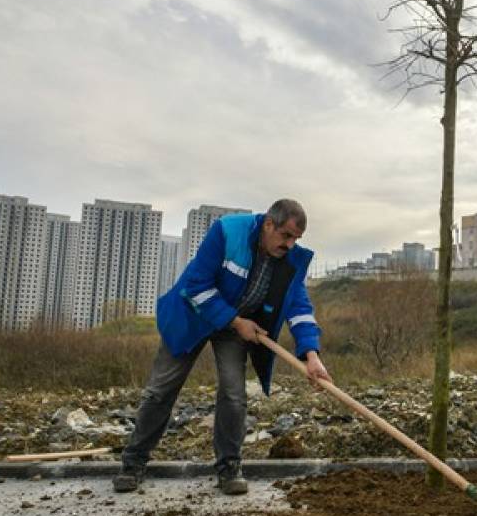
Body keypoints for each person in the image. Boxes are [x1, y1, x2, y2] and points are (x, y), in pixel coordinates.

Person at [113, 199, 331, 495]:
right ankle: (133, 462)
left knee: (233, 393)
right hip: (194, 314)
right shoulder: (228, 232)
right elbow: (197, 284)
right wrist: (234, 320)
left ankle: (229, 466)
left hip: (236, 325)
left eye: (296, 239)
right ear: (269, 224)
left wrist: (311, 355)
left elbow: (299, 308)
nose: (290, 245)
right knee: (162, 388)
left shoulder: (290, 261)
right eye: (286, 236)